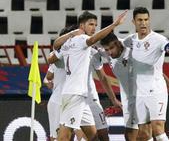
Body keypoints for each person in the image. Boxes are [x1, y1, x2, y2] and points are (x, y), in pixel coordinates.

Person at [48, 10, 127, 141]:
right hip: (74, 94)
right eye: (91, 24)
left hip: (82, 97)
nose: (94, 28)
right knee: (64, 137)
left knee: (93, 136)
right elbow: (95, 38)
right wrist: (114, 25)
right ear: (82, 26)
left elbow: (53, 52)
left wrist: (69, 36)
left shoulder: (67, 43)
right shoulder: (82, 39)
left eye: (95, 25)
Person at [99, 32, 169, 141]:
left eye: (111, 48)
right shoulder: (105, 53)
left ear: (118, 43)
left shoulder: (133, 51)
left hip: (144, 94)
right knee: (130, 136)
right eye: (106, 49)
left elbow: (152, 68)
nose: (109, 52)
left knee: (151, 133)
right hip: (128, 98)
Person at [123, 7, 169, 141]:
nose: (143, 23)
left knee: (158, 129)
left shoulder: (159, 39)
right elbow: (115, 45)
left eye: (146, 19)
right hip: (139, 92)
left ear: (149, 20)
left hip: (156, 90)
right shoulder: (130, 40)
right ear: (133, 22)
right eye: (140, 20)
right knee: (144, 134)